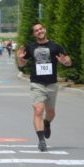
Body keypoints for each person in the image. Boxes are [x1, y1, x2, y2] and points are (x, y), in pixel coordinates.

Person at [17, 22, 71, 152]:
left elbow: (68, 61)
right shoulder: (30, 48)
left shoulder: (55, 46)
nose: (39, 31)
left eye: (41, 29)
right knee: (38, 110)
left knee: (51, 113)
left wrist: (66, 62)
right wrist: (20, 59)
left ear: (45, 30)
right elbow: (22, 64)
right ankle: (41, 140)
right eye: (36, 30)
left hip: (52, 84)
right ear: (34, 34)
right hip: (37, 83)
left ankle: (47, 123)